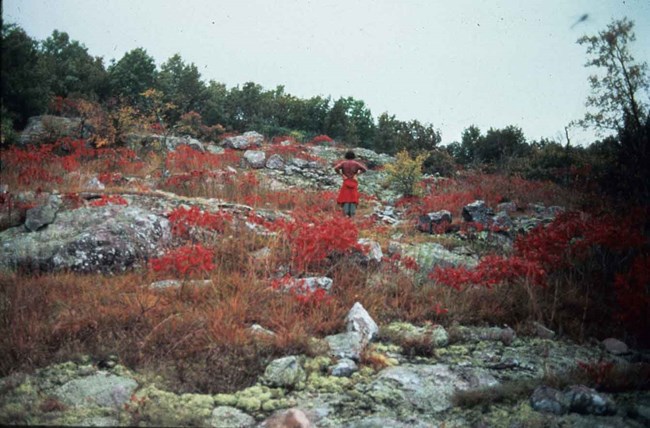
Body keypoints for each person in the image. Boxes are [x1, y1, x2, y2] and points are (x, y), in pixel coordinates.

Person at [333, 150, 368, 217]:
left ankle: (345, 213)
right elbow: (364, 169)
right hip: (353, 181)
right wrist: (357, 175)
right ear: (353, 156)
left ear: (346, 156)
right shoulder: (356, 164)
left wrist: (342, 175)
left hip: (346, 181)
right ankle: (352, 213)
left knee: (345, 197)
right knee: (353, 197)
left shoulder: (343, 163)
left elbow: (336, 168)